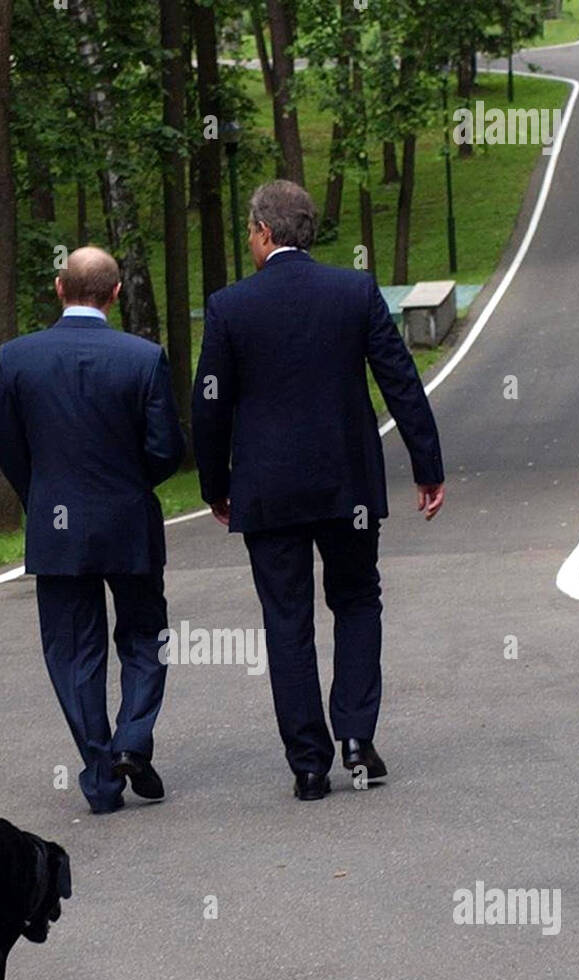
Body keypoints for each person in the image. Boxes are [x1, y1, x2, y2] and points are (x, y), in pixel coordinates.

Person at [191, 180, 445, 801]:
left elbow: (209, 406)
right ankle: (356, 738)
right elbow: (400, 381)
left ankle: (308, 763)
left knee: (287, 619)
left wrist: (216, 486)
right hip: (347, 486)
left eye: (251, 232)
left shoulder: (230, 307)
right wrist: (427, 464)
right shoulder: (354, 292)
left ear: (264, 233)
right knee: (357, 601)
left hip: (268, 491)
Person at [0, 246, 185, 814]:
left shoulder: (17, 358)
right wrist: (131, 485)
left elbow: (7, 445)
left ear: (59, 288)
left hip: (57, 528)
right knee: (145, 637)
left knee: (74, 654)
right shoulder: (143, 357)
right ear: (116, 293)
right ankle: (131, 740)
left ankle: (102, 775)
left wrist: (41, 495)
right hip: (128, 521)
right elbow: (165, 450)